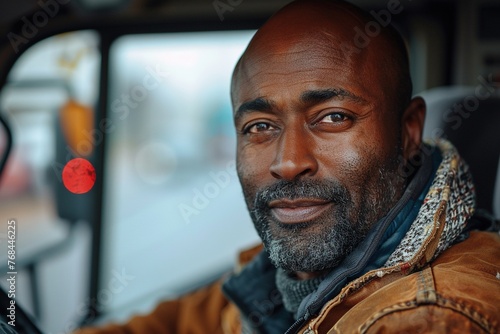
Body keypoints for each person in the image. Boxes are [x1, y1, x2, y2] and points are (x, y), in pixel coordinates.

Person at [77, 0, 500, 333]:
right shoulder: (283, 277)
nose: (289, 162)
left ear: (408, 132)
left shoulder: (426, 318)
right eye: (260, 126)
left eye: (333, 117)